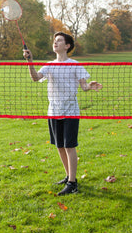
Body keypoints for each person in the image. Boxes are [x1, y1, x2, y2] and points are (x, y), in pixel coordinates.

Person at [23, 32, 102, 195]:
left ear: (67, 46)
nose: (55, 42)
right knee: (59, 146)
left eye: (59, 40)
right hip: (53, 111)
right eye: (54, 40)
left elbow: (84, 86)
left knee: (69, 146)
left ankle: (73, 183)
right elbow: (35, 78)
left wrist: (90, 86)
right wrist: (30, 61)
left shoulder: (75, 65)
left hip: (70, 111)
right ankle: (69, 176)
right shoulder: (49, 65)